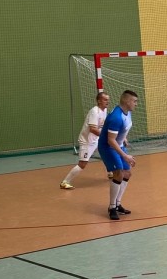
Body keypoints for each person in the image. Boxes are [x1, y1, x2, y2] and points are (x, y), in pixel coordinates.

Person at [98, 89, 139, 221]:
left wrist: (124, 138)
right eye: (134, 101)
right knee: (118, 174)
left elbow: (122, 129)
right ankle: (112, 208)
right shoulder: (116, 117)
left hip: (118, 144)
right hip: (108, 147)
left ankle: (118, 203)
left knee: (127, 173)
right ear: (127, 101)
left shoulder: (127, 112)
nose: (136, 104)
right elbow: (110, 140)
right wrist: (126, 156)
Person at [60, 92, 110, 189]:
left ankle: (110, 172)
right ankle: (65, 182)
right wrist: (106, 136)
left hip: (96, 139)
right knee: (82, 164)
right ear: (99, 101)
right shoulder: (94, 112)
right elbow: (93, 129)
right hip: (87, 142)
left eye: (108, 99)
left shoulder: (104, 110)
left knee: (106, 153)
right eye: (105, 100)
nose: (107, 101)